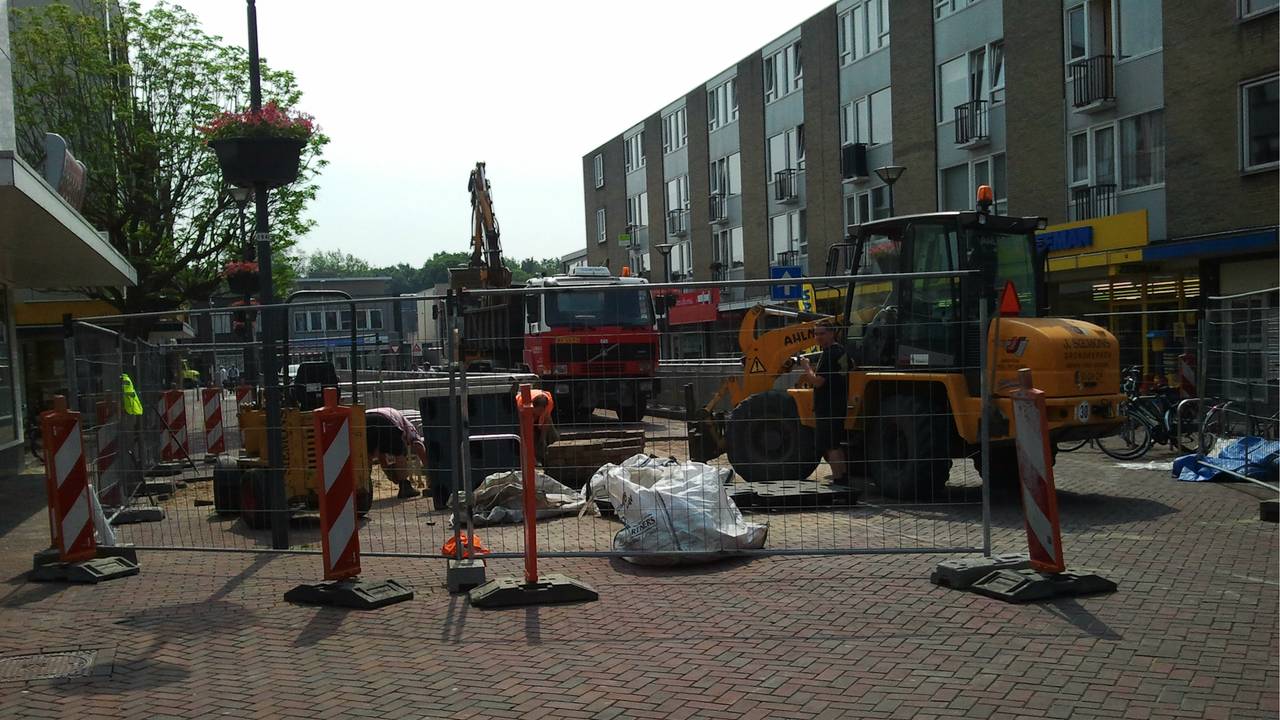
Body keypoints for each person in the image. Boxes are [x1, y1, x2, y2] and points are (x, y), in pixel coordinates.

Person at [798, 324, 850, 483]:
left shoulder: (829, 355)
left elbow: (818, 381)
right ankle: (843, 477)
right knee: (836, 443)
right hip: (839, 403)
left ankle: (838, 479)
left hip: (828, 406)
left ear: (832, 333)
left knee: (829, 445)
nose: (818, 337)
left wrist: (806, 367)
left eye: (822, 333)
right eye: (816, 334)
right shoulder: (841, 351)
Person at [364, 407, 428, 499]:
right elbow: (418, 444)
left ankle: (365, 487)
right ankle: (405, 487)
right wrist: (428, 468)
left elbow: (382, 458)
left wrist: (389, 473)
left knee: (367, 455)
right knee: (399, 453)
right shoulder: (408, 426)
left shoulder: (395, 418)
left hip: (363, 420)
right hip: (385, 420)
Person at [514, 387, 559, 465]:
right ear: (532, 407)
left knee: (553, 436)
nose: (539, 413)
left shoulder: (549, 404)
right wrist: (530, 456)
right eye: (538, 411)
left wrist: (543, 439)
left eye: (541, 411)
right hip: (524, 416)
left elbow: (546, 420)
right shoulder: (522, 406)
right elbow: (525, 434)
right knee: (529, 439)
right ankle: (531, 460)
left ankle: (549, 458)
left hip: (538, 413)